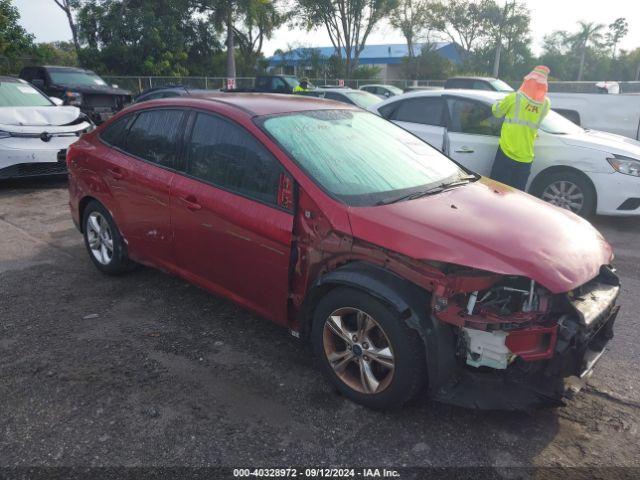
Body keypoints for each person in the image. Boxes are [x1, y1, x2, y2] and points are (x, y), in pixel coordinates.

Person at [490, 66, 551, 191]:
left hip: (507, 152)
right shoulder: (546, 104)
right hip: (526, 158)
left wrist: (497, 103)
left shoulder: (514, 98)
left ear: (528, 81)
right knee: (517, 196)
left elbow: (497, 112)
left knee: (498, 192)